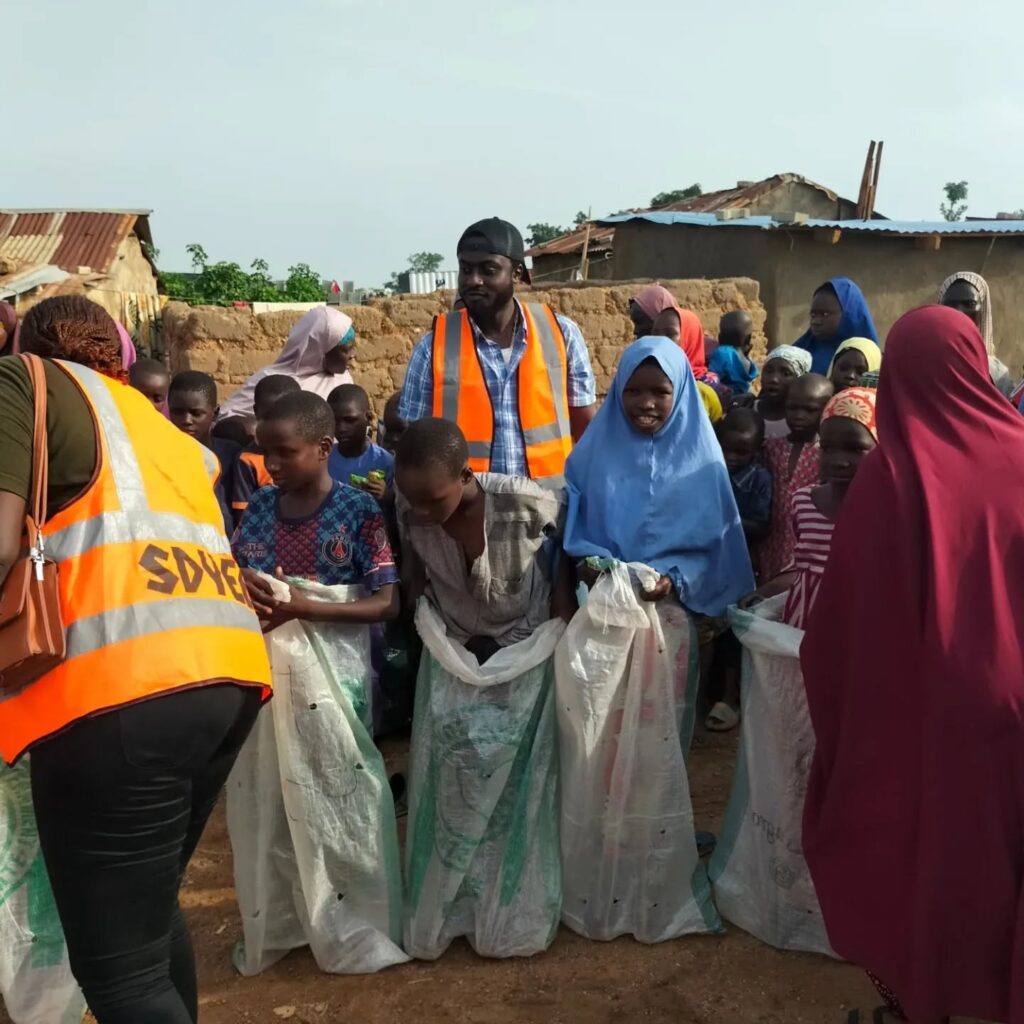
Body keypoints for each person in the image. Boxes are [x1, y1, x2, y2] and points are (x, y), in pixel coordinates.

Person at [0, 295, 270, 1024]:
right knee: (144, 924)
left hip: (116, 693)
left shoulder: (24, 381)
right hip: (226, 681)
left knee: (117, 972)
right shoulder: (157, 432)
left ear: (29, 343)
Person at [801, 306, 1024, 1024]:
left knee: (920, 858)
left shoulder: (886, 480)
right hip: (1012, 716)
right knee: (1004, 866)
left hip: (919, 724)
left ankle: (920, 999)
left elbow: (837, 632)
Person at [564, 336, 753, 616]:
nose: (646, 403)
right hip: (604, 610)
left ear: (680, 393)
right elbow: (571, 532)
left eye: (660, 392)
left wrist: (676, 576)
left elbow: (719, 550)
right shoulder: (589, 458)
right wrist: (599, 568)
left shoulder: (705, 466)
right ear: (618, 392)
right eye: (633, 391)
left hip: (680, 612)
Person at [399, 218, 596, 482]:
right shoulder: (432, 348)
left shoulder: (562, 335)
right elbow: (415, 441)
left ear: (516, 273)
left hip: (550, 508)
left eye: (488, 270)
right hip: (467, 511)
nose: (474, 280)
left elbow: (586, 429)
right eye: (466, 270)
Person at [394, 417, 573, 662]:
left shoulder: (519, 503)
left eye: (432, 501)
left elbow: (572, 529)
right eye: (411, 499)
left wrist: (562, 598)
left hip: (522, 640)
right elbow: (413, 560)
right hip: (451, 642)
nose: (420, 511)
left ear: (466, 476)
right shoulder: (408, 502)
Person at [234, 391, 399, 629]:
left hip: (336, 660)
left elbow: (387, 603)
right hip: (266, 656)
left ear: (323, 448)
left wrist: (306, 609)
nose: (271, 464)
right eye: (266, 452)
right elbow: (229, 567)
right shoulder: (261, 503)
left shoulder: (357, 509)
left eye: (285, 453)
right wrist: (238, 575)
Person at [742, 388, 877, 629]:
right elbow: (804, 568)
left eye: (855, 449)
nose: (838, 460)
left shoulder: (887, 515)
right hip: (801, 626)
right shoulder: (804, 502)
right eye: (827, 448)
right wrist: (765, 592)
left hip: (855, 628)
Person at [705, 406, 774, 732]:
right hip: (707, 563)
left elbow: (761, 524)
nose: (732, 456)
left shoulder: (759, 478)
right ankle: (704, 693)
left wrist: (725, 520)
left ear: (757, 450)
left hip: (742, 564)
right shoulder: (710, 470)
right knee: (706, 627)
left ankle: (729, 697)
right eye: (726, 448)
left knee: (734, 630)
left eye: (742, 451)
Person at [217, 306, 356, 421]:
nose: (352, 356)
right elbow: (226, 418)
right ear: (320, 350)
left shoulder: (342, 380)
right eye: (346, 350)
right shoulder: (270, 381)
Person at [759, 373, 833, 581]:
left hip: (809, 551)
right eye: (792, 408)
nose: (799, 415)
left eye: (810, 410)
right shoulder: (770, 447)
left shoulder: (826, 454)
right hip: (770, 547)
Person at [169, 370, 239, 535]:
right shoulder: (160, 455)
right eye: (178, 412)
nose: (186, 420)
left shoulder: (231, 454)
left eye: (196, 413)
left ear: (214, 414)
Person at [230, 373, 301, 523]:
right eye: (270, 415)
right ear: (256, 412)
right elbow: (244, 516)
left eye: (284, 414)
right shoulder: (247, 460)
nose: (277, 422)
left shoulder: (307, 453)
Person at [937, 270, 1015, 398]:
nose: (958, 312)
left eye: (969, 304)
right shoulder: (926, 365)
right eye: (950, 304)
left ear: (982, 310)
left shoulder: (997, 375)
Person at [794, 277, 878, 375]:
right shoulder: (799, 354)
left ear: (848, 315)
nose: (816, 321)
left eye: (825, 314)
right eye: (813, 315)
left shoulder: (869, 358)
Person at [327, 383, 394, 502]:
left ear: (368, 418)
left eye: (350, 420)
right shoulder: (324, 459)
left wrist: (387, 495)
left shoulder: (385, 462)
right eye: (335, 421)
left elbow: (398, 509)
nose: (341, 428)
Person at [631, 285, 708, 380]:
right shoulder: (638, 374)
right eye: (656, 332)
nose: (635, 331)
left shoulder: (704, 389)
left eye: (641, 322)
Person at [755, 345, 812, 439]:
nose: (774, 379)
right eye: (769, 371)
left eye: (786, 373)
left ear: (800, 379)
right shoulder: (747, 408)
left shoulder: (801, 422)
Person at [709, 311, 758, 394]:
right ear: (748, 340)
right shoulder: (747, 360)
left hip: (726, 398)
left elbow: (712, 378)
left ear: (720, 336)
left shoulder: (722, 352)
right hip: (745, 394)